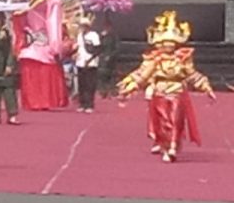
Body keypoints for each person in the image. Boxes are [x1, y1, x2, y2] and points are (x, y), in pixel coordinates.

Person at [117, 10, 216, 162]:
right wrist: (129, 86)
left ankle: (173, 147)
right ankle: (165, 144)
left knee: (176, 120)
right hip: (159, 92)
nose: (168, 45)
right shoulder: (154, 59)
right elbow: (143, 75)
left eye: (171, 43)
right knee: (164, 122)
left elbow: (192, 75)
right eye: (165, 42)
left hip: (177, 91)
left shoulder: (183, 58)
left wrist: (206, 87)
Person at [75, 15, 101, 113]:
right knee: (82, 84)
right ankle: (82, 103)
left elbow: (97, 49)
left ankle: (90, 104)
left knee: (90, 84)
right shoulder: (79, 36)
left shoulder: (94, 35)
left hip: (91, 64)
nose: (81, 28)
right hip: (80, 62)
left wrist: (89, 60)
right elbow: (79, 48)